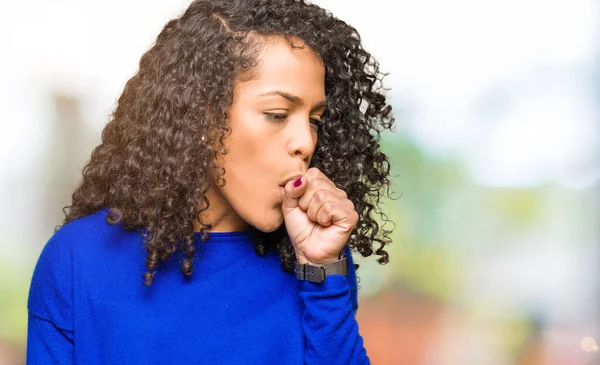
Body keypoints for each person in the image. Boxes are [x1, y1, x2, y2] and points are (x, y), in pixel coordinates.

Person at [27, 0, 394, 364]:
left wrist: (321, 267)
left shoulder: (319, 263)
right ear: (202, 116)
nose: (306, 142)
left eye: (314, 119)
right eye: (277, 114)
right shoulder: (78, 260)